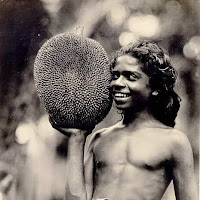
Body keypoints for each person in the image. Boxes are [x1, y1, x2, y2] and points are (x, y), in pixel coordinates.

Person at [51, 40, 198, 200]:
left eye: (130, 77)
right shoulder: (99, 139)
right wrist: (77, 139)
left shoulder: (174, 142)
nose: (118, 83)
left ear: (155, 87)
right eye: (115, 75)